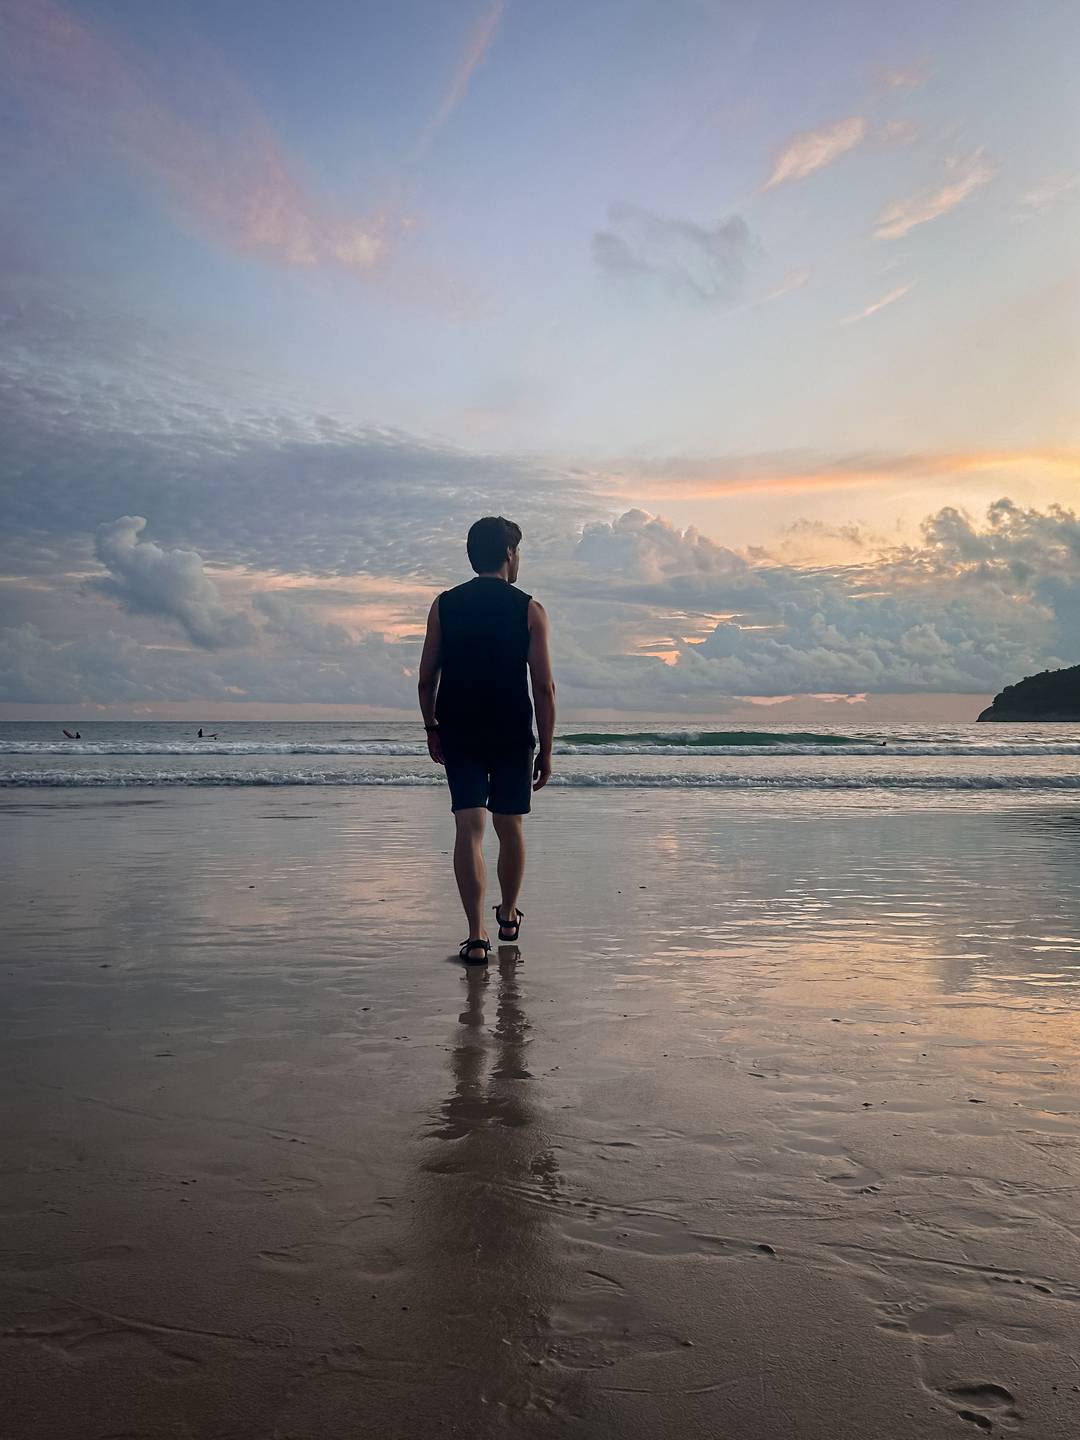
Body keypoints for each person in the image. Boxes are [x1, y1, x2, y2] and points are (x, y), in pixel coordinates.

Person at [418, 516, 556, 963]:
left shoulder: (444, 605)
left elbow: (426, 679)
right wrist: (547, 748)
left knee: (469, 827)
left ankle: (476, 936)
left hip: (459, 727)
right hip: (512, 729)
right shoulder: (530, 608)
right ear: (510, 554)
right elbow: (544, 688)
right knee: (509, 825)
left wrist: (431, 728)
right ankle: (509, 914)